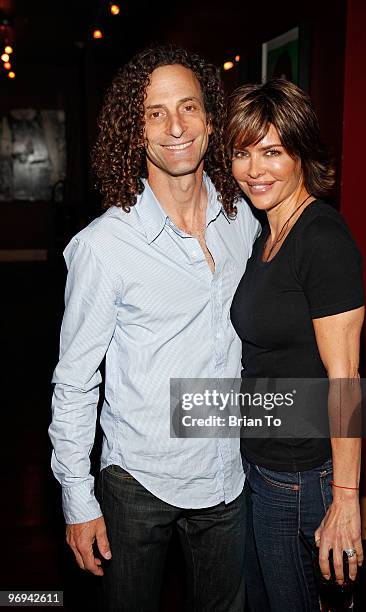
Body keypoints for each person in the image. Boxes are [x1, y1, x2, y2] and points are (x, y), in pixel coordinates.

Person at [48, 45, 260, 612]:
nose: (175, 127)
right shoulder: (104, 247)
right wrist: (78, 500)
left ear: (211, 121)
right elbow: (74, 381)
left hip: (225, 473)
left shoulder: (243, 223)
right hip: (138, 480)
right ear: (134, 132)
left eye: (188, 108)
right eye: (155, 113)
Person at [225, 79, 365, 611]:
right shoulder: (267, 233)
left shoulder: (322, 239)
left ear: (301, 152)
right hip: (265, 467)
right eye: (242, 153)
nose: (254, 169)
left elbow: (346, 380)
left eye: (272, 152)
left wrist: (346, 501)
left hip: (304, 478)